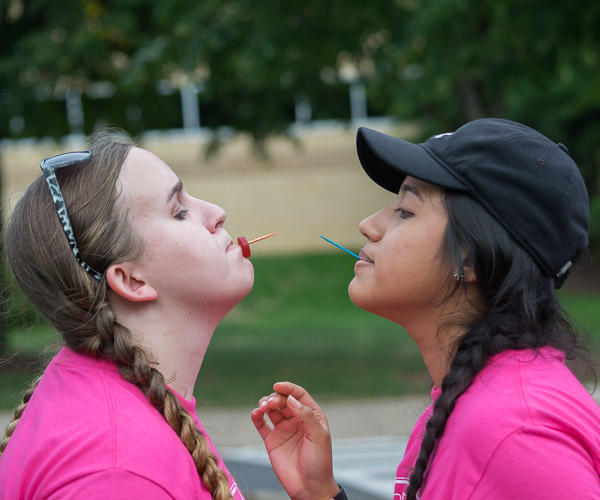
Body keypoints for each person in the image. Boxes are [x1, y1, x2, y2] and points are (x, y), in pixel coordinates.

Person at [251, 118, 600, 499]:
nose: (369, 225)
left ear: (470, 259)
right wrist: (322, 495)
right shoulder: (472, 403)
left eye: (405, 211)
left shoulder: (517, 432)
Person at [0, 129, 254, 499]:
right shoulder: (118, 472)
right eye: (179, 211)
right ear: (132, 280)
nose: (216, 213)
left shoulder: (113, 415)